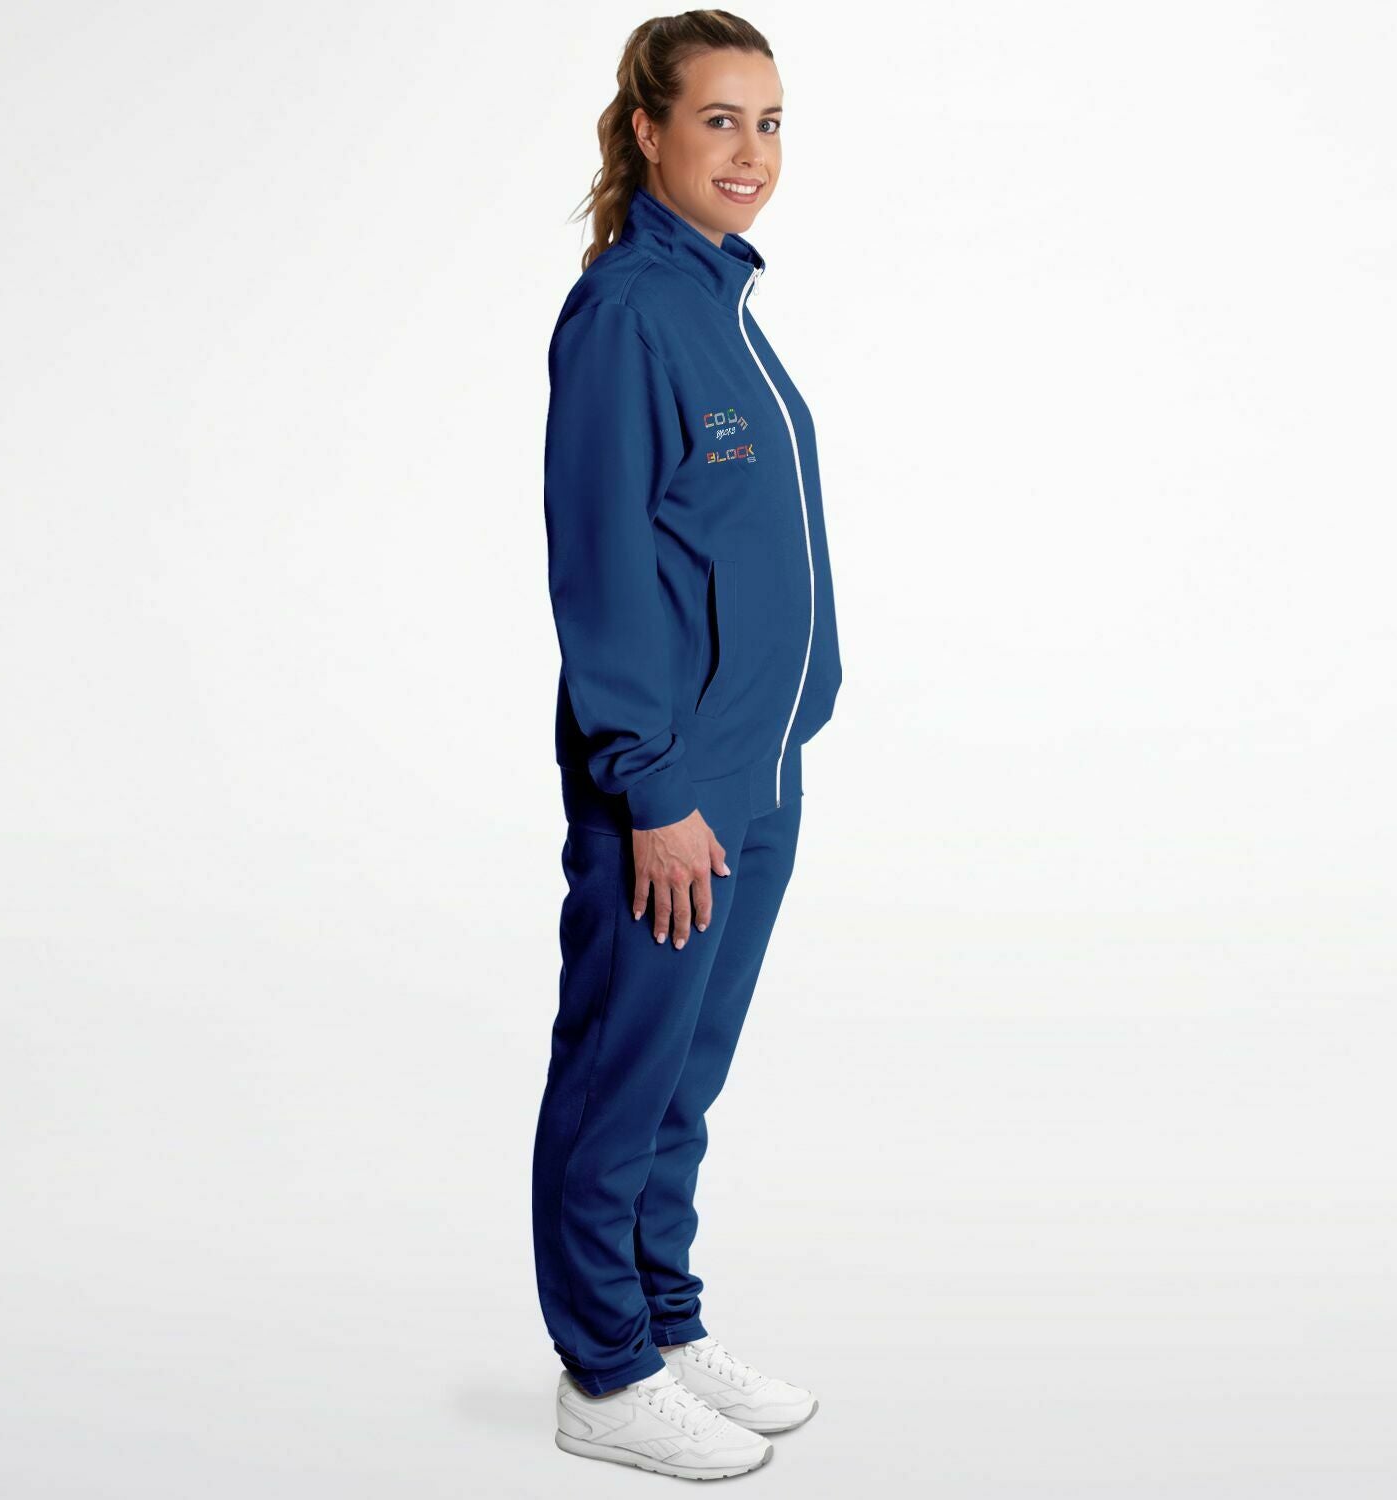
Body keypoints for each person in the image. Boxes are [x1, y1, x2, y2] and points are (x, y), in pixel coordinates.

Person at [531, 11, 843, 1481]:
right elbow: (599, 571)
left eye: (770, 122)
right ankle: (603, 1373)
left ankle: (662, 1320)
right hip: (669, 791)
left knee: (683, 1081)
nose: (752, 151)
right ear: (649, 132)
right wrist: (653, 788)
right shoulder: (627, 314)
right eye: (720, 119)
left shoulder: (724, 302)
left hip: (755, 773)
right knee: (621, 1075)